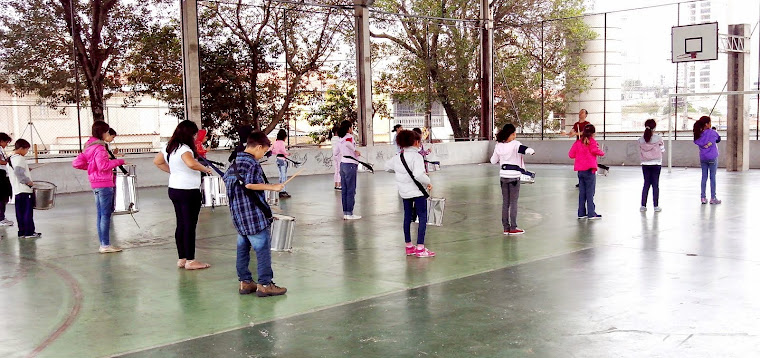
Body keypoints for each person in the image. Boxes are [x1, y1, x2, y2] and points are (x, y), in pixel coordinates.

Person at [223, 131, 287, 297]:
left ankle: (245, 282)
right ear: (258, 147)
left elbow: (228, 181)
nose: (262, 155)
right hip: (252, 215)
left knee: (242, 248)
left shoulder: (235, 162)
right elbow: (250, 185)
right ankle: (265, 284)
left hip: (238, 214)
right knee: (262, 248)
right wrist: (273, 187)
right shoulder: (252, 163)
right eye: (264, 151)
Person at [154, 120, 213, 270]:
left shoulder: (169, 147)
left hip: (174, 189)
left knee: (181, 223)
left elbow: (158, 161)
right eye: (194, 135)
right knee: (189, 225)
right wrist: (205, 169)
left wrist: (174, 172)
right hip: (188, 191)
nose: (195, 138)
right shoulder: (185, 149)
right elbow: (191, 163)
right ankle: (191, 261)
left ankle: (182, 258)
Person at [72, 121, 126, 253]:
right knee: (106, 215)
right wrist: (119, 161)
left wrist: (91, 167)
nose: (108, 134)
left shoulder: (89, 146)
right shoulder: (100, 148)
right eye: (107, 132)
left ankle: (103, 243)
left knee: (101, 215)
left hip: (95, 184)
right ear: (103, 132)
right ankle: (105, 245)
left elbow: (77, 163)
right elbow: (103, 166)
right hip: (104, 184)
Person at [385, 130, 435, 258]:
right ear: (415, 142)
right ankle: (420, 248)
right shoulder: (417, 157)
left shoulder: (398, 157)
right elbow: (418, 175)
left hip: (405, 192)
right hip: (418, 192)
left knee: (407, 217)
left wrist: (399, 172)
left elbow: (387, 167)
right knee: (422, 217)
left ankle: (409, 246)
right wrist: (428, 181)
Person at [490, 123, 535, 235]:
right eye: (514, 133)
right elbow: (524, 149)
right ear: (512, 134)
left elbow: (493, 161)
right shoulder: (515, 144)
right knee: (513, 202)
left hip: (503, 177)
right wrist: (531, 151)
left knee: (505, 202)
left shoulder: (498, 145)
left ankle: (506, 228)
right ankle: (513, 227)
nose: (515, 135)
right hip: (514, 177)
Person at [568, 124, 605, 220]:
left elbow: (571, 155)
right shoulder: (592, 142)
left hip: (580, 171)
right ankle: (591, 213)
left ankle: (581, 213)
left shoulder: (577, 142)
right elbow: (595, 151)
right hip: (590, 170)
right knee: (590, 192)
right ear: (593, 133)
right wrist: (602, 152)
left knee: (582, 192)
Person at [7, 139, 40, 238]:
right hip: (24, 190)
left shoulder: (11, 158)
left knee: (20, 213)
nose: (26, 152)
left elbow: (16, 170)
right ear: (21, 148)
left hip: (17, 191)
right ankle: (29, 232)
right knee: (27, 212)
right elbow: (18, 173)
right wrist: (28, 182)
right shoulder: (20, 158)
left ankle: (22, 232)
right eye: (26, 150)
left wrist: (26, 169)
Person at [334, 120, 362, 220]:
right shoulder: (349, 137)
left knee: (344, 190)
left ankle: (346, 212)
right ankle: (350, 213)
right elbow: (348, 144)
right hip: (350, 164)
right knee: (351, 189)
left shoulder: (340, 139)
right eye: (351, 127)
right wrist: (355, 151)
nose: (352, 129)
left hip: (343, 164)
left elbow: (335, 152)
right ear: (349, 128)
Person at [693, 116, 721, 204]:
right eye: (710, 122)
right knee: (713, 177)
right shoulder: (713, 132)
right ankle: (713, 198)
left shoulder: (699, 134)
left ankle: (703, 198)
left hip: (703, 158)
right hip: (712, 157)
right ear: (707, 124)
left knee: (704, 177)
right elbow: (718, 139)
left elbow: (697, 141)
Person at [638, 119, 665, 212]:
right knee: (655, 185)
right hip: (656, 163)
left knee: (646, 184)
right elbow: (663, 150)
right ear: (654, 127)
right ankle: (656, 206)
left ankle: (643, 205)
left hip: (645, 164)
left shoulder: (641, 140)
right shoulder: (658, 138)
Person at [271, 129, 291, 198]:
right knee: (284, 176)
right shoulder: (282, 143)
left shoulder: (275, 142)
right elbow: (283, 150)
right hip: (282, 161)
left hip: (277, 160)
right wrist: (287, 154)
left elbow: (271, 150)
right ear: (284, 137)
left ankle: (281, 191)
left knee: (280, 176)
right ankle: (283, 191)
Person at [0, 133, 14, 227]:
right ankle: (1, 219)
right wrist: (9, 163)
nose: (7, 144)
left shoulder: (1, 149)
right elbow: (0, 161)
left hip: (3, 174)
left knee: (4, 197)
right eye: (6, 142)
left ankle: (2, 217)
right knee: (2, 197)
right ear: (1, 141)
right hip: (0, 175)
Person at [329, 125, 341, 190]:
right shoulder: (338, 139)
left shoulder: (332, 138)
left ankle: (336, 184)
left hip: (334, 155)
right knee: (339, 170)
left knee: (336, 170)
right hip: (339, 155)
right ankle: (339, 185)